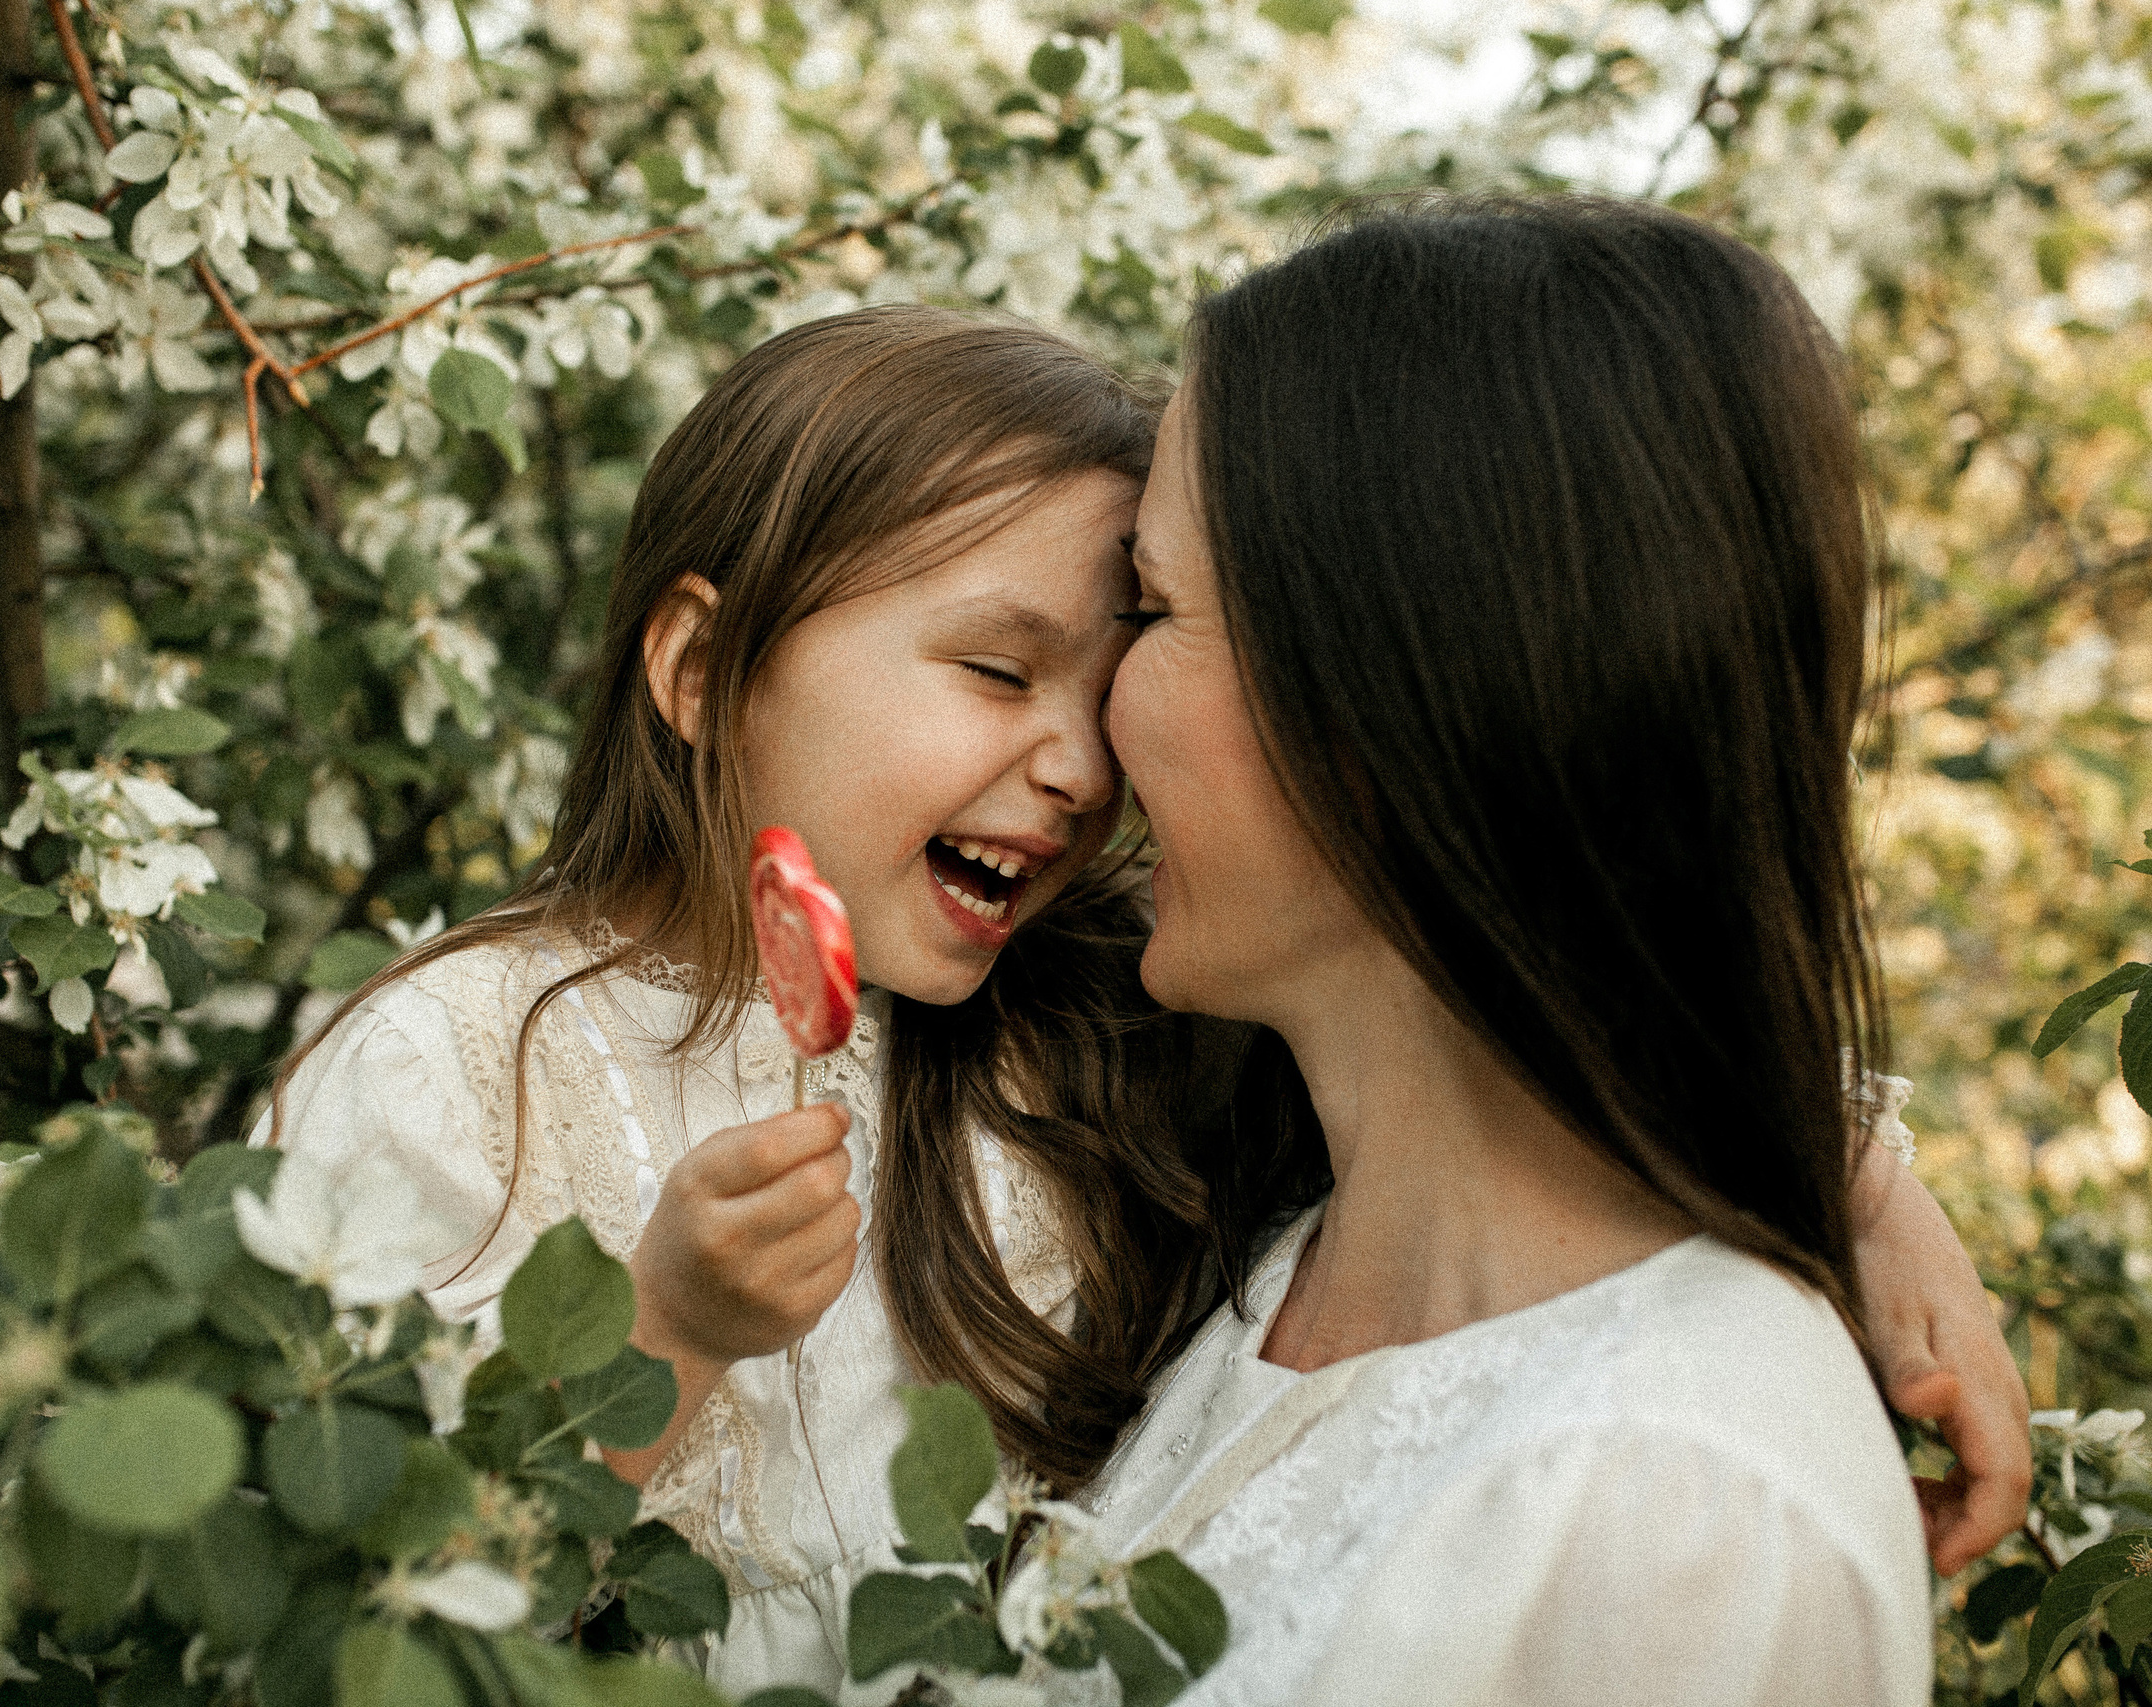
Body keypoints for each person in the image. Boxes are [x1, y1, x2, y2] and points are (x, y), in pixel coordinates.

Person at [260, 300, 2020, 1697]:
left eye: (1123, 668)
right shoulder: (459, 1067)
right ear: (706, 668)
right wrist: (667, 1332)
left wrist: (1855, 1182)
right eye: (997, 667)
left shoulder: (1092, 1033)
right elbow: (345, 1599)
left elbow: (1525, 984)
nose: (1083, 760)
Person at [1080, 196, 1979, 1705]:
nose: (1096, 702)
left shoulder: (1678, 1515)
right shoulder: (1264, 1266)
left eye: (1152, 607)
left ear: (1383, 698)